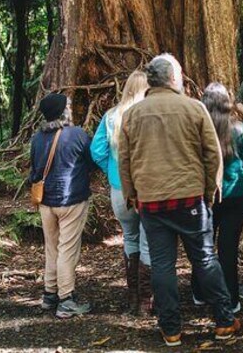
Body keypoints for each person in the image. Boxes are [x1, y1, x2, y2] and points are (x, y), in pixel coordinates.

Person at [118, 54, 241, 346]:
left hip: (151, 202)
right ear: (173, 78)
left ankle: (171, 329)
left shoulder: (132, 114)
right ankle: (224, 321)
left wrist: (131, 195)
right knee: (205, 259)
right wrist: (211, 191)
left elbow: (124, 161)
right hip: (190, 201)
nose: (183, 78)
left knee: (162, 265)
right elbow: (213, 154)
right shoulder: (194, 108)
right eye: (181, 73)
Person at [91, 70, 152, 315]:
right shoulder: (148, 115)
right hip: (147, 189)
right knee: (148, 241)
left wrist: (113, 172)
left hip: (119, 190)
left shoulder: (111, 116)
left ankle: (133, 297)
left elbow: (97, 151)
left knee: (130, 237)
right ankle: (147, 303)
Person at [191, 83, 243, 314]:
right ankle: (231, 300)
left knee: (203, 245)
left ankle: (199, 293)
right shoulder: (240, 130)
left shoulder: (197, 130)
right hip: (237, 194)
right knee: (227, 248)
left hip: (207, 195)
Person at [29, 92, 94, 318]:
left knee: (52, 248)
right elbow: (92, 161)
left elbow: (33, 170)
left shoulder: (37, 138)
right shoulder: (77, 135)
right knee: (67, 249)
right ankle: (66, 299)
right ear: (63, 111)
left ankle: (50, 294)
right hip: (71, 200)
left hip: (46, 202)